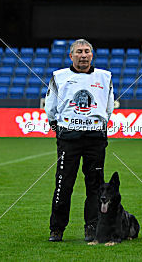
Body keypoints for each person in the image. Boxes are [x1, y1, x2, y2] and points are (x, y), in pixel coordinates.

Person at [44, 39, 114, 242]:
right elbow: (50, 107)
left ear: (92, 55)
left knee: (96, 186)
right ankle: (56, 229)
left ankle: (92, 227)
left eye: (87, 51)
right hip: (69, 139)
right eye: (79, 52)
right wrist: (59, 127)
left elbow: (108, 107)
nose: (83, 55)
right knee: (63, 184)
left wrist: (96, 125)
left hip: (95, 139)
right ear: (71, 56)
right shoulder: (59, 76)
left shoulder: (105, 76)